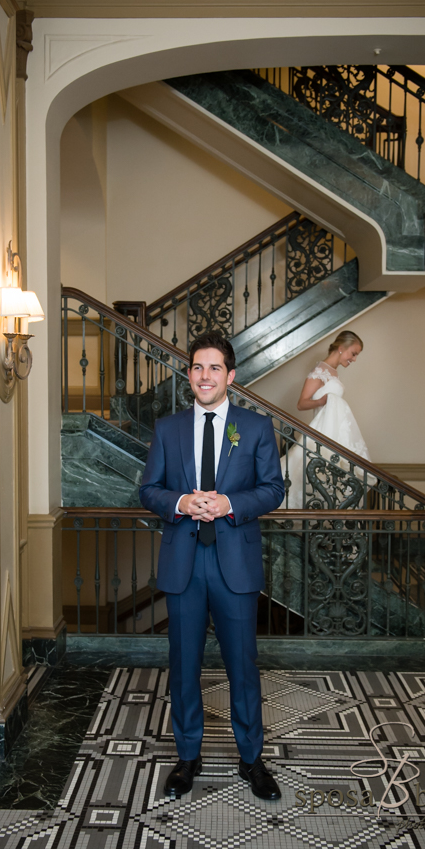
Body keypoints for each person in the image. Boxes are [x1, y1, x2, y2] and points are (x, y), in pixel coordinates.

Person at [139, 332, 285, 801]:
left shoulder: (256, 427)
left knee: (242, 665)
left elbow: (272, 489)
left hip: (234, 563)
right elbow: (149, 490)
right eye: (198, 368)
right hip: (185, 561)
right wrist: (182, 501)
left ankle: (251, 759)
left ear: (231, 376)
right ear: (189, 375)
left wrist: (228, 504)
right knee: (184, 666)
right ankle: (188, 757)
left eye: (214, 368)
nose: (205, 376)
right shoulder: (168, 428)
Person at [286, 331, 371, 507]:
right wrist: (322, 401)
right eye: (353, 354)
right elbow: (301, 404)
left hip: (334, 432)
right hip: (322, 430)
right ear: (341, 348)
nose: (354, 359)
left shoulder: (333, 373)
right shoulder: (320, 371)